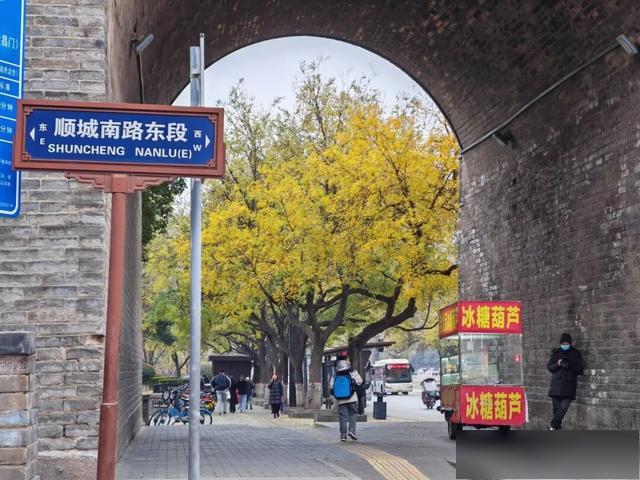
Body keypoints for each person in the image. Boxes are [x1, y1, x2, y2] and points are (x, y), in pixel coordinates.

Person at [547, 332, 584, 430]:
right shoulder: (556, 352)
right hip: (556, 386)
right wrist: (558, 364)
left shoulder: (576, 353)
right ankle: (556, 429)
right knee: (556, 410)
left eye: (567, 344)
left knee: (563, 409)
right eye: (563, 344)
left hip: (569, 387)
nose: (565, 345)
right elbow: (549, 367)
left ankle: (552, 426)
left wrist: (568, 365)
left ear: (570, 344)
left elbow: (580, 369)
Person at [330, 358, 363, 442]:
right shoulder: (352, 372)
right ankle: (352, 431)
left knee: (343, 416)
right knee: (353, 413)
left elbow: (331, 386)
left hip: (340, 399)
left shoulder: (335, 374)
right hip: (352, 397)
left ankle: (343, 435)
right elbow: (360, 381)